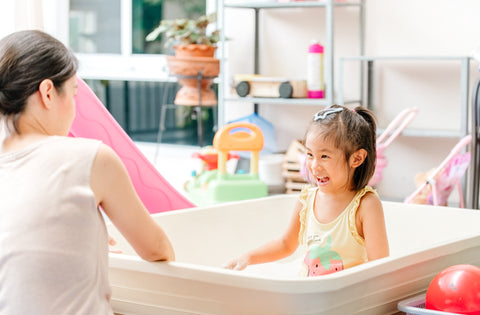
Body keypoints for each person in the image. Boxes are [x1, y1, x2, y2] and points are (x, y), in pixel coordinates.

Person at [0, 30, 174, 314]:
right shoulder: (89, 157)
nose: (73, 108)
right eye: (73, 93)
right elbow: (156, 249)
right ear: (47, 92)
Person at [224, 105, 389, 277]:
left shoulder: (366, 204)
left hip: (344, 298)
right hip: (308, 292)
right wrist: (248, 258)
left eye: (324, 156)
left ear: (357, 158)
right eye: (310, 155)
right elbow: (286, 244)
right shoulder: (307, 199)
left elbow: (379, 265)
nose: (314, 166)